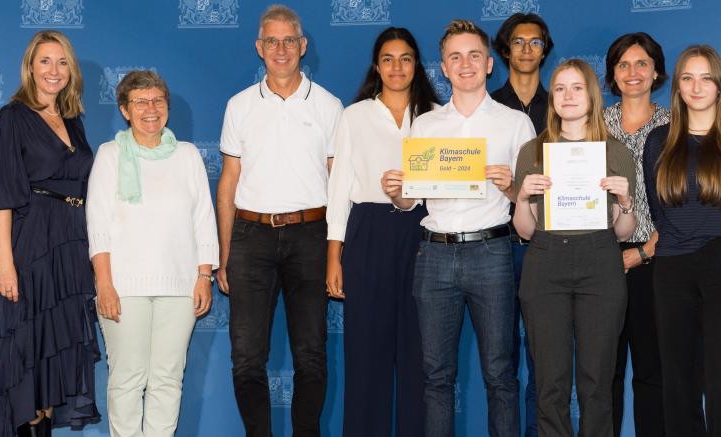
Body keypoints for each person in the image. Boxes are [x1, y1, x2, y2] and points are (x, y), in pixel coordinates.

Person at [380, 19, 535, 437]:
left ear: (488, 64)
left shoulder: (516, 124)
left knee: (501, 374)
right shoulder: (426, 126)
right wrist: (395, 192)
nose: (465, 64)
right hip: (433, 256)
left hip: (492, 253)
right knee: (435, 377)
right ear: (443, 69)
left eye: (473, 55)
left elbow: (532, 201)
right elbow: (410, 199)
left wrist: (513, 187)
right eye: (455, 57)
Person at [215, 5, 343, 437]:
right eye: (272, 41)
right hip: (251, 237)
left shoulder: (328, 105)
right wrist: (224, 251)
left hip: (312, 235)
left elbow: (336, 182)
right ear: (259, 48)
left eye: (290, 40)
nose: (282, 49)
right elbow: (228, 181)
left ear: (303, 46)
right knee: (248, 356)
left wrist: (336, 251)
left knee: (311, 354)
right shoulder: (239, 106)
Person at [642, 44, 721, 437]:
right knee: (678, 382)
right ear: (678, 86)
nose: (697, 87)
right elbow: (657, 208)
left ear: (720, 85)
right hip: (672, 266)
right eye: (687, 78)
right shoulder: (658, 141)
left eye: (706, 78)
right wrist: (680, 245)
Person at [86, 70, 219, 437]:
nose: (150, 108)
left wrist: (204, 275)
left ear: (167, 108)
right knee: (128, 379)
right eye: (140, 102)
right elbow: (97, 223)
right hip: (123, 287)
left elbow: (203, 219)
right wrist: (105, 284)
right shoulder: (110, 155)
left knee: (167, 379)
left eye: (158, 100)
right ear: (125, 111)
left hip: (180, 286)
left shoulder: (188, 155)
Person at [0, 30, 102, 437]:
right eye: (45, 62)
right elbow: (2, 196)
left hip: (71, 249)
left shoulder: (74, 121)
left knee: (54, 373)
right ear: (30, 68)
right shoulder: (11, 118)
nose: (54, 71)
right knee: (28, 369)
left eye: (62, 62)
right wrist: (6, 263)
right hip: (32, 245)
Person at [513, 59, 636, 437]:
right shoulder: (532, 151)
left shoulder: (616, 152)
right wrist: (522, 197)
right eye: (561, 88)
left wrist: (626, 202)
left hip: (600, 260)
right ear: (553, 98)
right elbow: (525, 231)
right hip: (546, 260)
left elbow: (622, 232)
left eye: (577, 87)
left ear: (591, 95)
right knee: (550, 383)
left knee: (597, 383)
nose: (568, 96)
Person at [325, 27, 438, 437]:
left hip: (422, 234)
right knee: (366, 352)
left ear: (416, 65)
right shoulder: (353, 116)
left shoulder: (435, 117)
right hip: (367, 232)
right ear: (377, 65)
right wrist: (333, 256)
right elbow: (338, 190)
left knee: (418, 351)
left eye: (405, 58)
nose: (396, 67)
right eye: (388, 59)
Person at [490, 13, 554, 437]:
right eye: (518, 42)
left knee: (546, 360)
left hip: (552, 245)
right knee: (502, 361)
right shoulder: (486, 110)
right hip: (497, 246)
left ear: (544, 50)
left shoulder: (566, 105)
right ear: (505, 50)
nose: (527, 49)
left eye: (535, 42)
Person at [603, 32, 670, 437]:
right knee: (602, 375)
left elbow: (687, 205)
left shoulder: (674, 126)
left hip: (657, 260)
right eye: (624, 64)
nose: (633, 72)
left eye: (641, 63)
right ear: (612, 74)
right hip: (600, 261)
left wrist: (643, 252)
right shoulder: (595, 124)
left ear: (656, 71)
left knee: (653, 372)